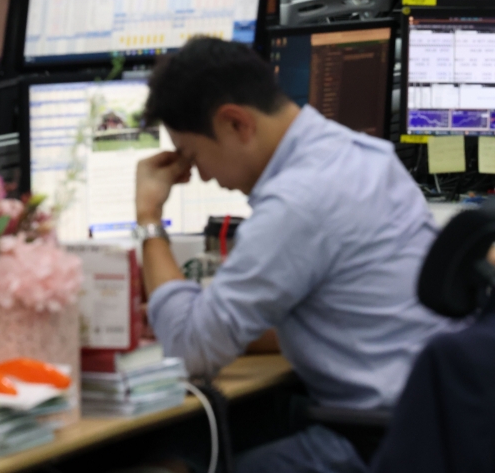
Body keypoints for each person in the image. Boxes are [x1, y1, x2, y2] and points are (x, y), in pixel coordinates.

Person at [134, 37, 449, 473]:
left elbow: (189, 351)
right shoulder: (357, 153)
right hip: (433, 421)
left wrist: (149, 217)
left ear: (235, 124)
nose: (200, 174)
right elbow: (333, 316)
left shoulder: (297, 202)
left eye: (194, 155)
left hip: (381, 443)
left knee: (166, 461)